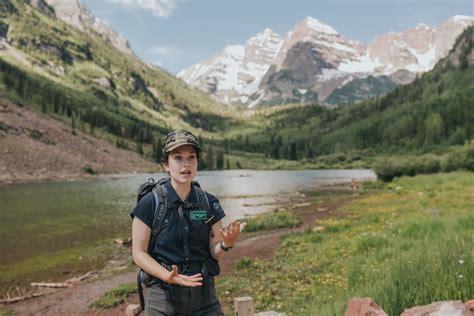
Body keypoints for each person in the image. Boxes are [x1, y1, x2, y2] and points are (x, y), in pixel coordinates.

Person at [131, 129, 242, 315]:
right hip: (163, 297)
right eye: (178, 158)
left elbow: (214, 252)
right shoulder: (149, 203)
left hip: (204, 298)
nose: (186, 164)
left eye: (191, 157)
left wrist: (226, 244)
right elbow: (139, 254)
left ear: (197, 162)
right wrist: (168, 276)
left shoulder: (210, 203)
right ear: (166, 164)